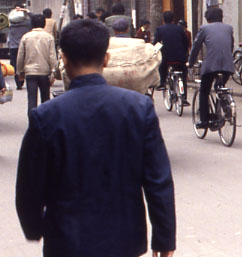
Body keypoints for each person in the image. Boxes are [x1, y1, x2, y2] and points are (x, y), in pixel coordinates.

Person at [15, 19, 176, 257]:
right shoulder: (138, 108)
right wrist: (164, 238)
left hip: (66, 240)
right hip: (124, 239)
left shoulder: (46, 115)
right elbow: (158, 180)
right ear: (106, 59)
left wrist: (35, 228)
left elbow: (29, 186)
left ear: (64, 59)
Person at [188, 7, 234, 129]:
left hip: (211, 65)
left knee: (204, 91)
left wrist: (190, 63)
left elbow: (196, 47)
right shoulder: (229, 28)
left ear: (208, 19)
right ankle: (226, 107)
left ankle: (204, 121)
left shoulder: (204, 28)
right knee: (220, 87)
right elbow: (231, 46)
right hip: (227, 65)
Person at [17, 14, 57, 117]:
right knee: (46, 99)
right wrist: (54, 73)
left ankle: (32, 122)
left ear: (32, 24)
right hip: (44, 72)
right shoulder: (49, 37)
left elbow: (20, 56)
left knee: (32, 99)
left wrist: (20, 72)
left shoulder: (25, 37)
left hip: (30, 72)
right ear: (44, 24)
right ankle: (46, 121)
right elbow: (52, 57)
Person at [154, 12, 190, 106]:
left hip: (167, 57)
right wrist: (185, 54)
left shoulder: (160, 29)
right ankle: (184, 98)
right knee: (183, 76)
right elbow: (186, 42)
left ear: (163, 20)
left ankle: (162, 83)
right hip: (180, 57)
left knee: (162, 67)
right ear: (173, 20)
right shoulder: (180, 29)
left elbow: (156, 43)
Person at [8, 3, 32, 90]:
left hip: (13, 48)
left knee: (15, 65)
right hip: (24, 47)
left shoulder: (10, 25)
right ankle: (23, 80)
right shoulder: (27, 24)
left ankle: (18, 83)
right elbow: (34, 17)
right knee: (25, 65)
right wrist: (27, 11)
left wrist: (14, 11)